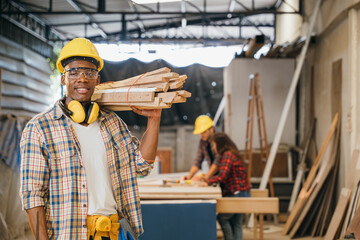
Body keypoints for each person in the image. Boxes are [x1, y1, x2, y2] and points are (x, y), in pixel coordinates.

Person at [19, 38, 161, 239]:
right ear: (63, 79)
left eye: (89, 73)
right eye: (74, 72)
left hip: (113, 231)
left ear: (98, 79)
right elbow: (33, 195)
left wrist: (154, 119)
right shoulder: (40, 128)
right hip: (70, 233)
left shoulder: (112, 123)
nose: (82, 79)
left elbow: (142, 166)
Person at [206, 132, 250, 240]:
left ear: (219, 144)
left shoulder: (227, 155)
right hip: (243, 193)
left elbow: (222, 176)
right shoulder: (233, 153)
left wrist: (207, 182)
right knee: (236, 223)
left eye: (214, 145)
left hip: (236, 193)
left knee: (222, 218)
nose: (213, 148)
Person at [183, 115, 221, 181]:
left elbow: (217, 162)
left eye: (204, 132)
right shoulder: (202, 142)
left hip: (223, 176)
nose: (201, 135)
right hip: (214, 176)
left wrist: (206, 177)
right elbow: (198, 161)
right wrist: (189, 176)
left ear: (211, 129)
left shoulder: (219, 140)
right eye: (200, 132)